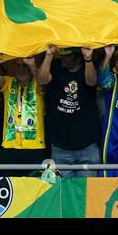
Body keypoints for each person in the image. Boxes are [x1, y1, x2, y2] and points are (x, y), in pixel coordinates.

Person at [39, 45, 101, 176]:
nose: (63, 58)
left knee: (88, 192)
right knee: (64, 193)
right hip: (61, 147)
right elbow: (42, 80)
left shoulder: (87, 67)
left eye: (67, 56)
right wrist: (49, 55)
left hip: (87, 146)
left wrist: (88, 59)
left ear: (78, 58)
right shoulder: (56, 66)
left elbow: (92, 82)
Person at [0, 55, 48, 172]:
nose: (22, 69)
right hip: (10, 145)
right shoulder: (9, 82)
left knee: (34, 186)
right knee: (10, 186)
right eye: (18, 66)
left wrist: (33, 66)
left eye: (25, 66)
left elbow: (42, 81)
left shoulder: (37, 82)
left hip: (35, 146)